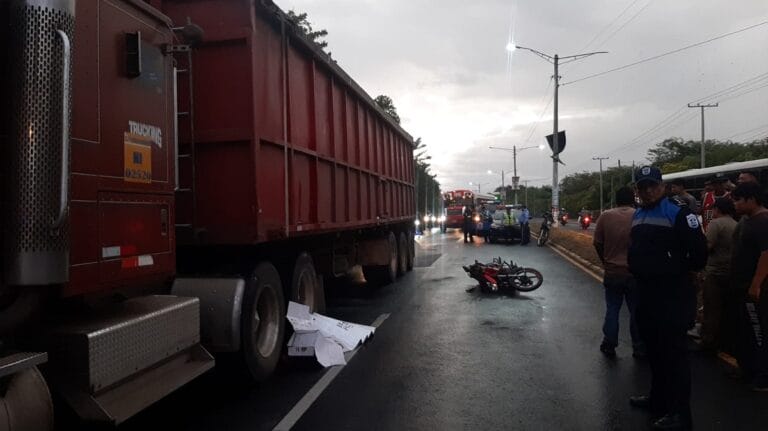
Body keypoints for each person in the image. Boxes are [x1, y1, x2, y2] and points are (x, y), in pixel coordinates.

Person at [627, 166, 707, 430]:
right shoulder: (639, 213)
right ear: (637, 190)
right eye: (642, 187)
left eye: (652, 186)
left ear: (662, 187)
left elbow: (699, 253)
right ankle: (658, 400)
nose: (648, 191)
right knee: (655, 353)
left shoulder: (678, 212)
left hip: (672, 295)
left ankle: (681, 415)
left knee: (674, 357)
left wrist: (679, 272)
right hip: (646, 293)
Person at [593, 187, 642, 358]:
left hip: (613, 271)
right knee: (636, 311)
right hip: (634, 273)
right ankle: (639, 346)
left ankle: (609, 343)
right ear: (632, 200)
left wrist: (605, 261)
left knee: (612, 308)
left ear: (616, 200)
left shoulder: (606, 216)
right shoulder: (639, 215)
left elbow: (597, 242)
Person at [730, 182, 768, 391]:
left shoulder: (763, 221)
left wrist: (756, 284)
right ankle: (747, 368)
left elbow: (766, 255)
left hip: (754, 289)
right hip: (740, 286)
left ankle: (763, 376)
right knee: (744, 330)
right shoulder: (747, 220)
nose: (734, 204)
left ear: (751, 199)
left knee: (758, 332)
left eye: (738, 200)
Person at [700, 198, 737, 351]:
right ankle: (726, 340)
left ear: (718, 209)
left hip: (714, 271)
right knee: (727, 307)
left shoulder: (716, 224)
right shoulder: (737, 224)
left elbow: (707, 246)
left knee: (711, 308)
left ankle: (709, 342)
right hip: (731, 271)